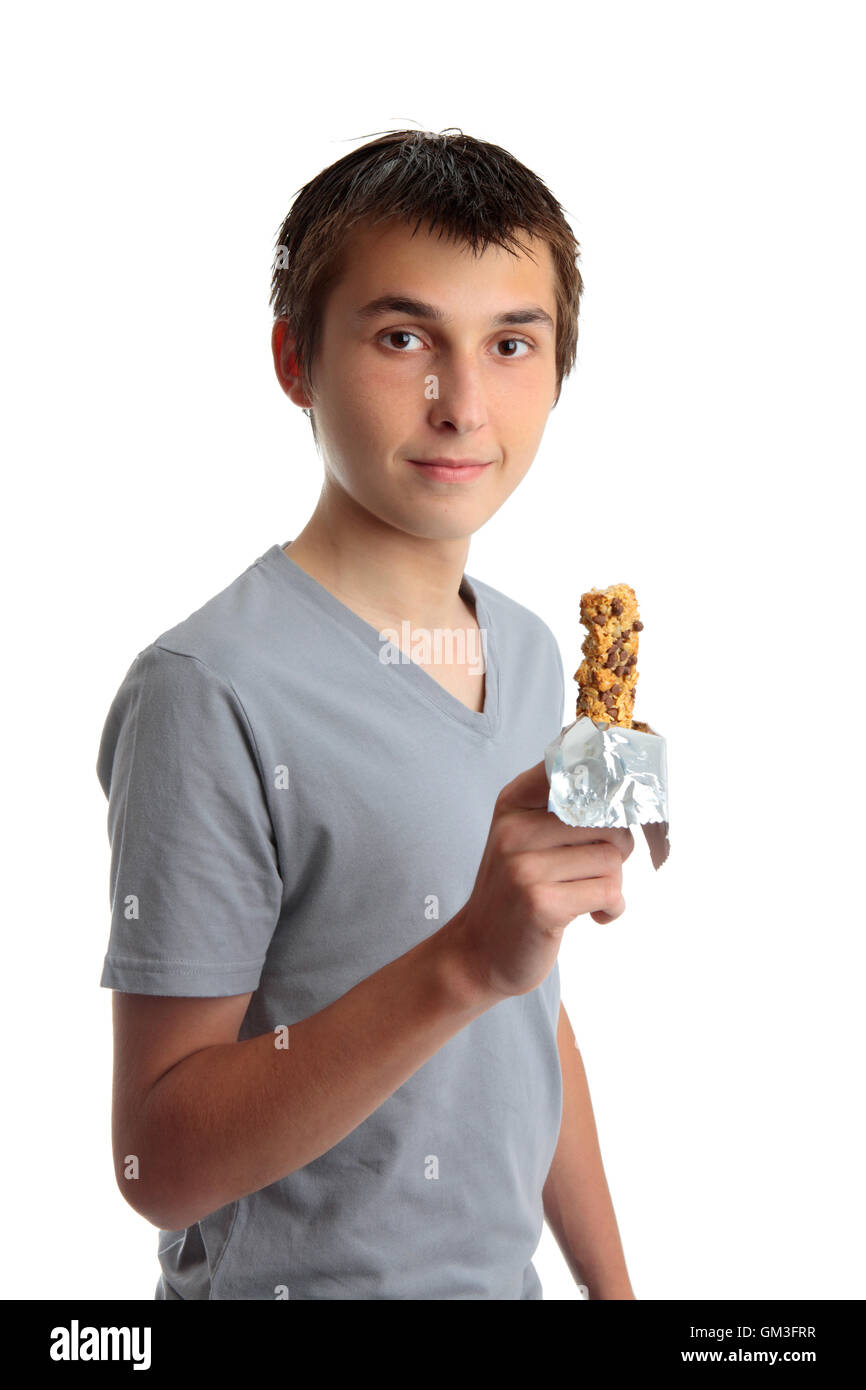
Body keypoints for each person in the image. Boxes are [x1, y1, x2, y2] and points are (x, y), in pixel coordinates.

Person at [97, 128, 636, 1301]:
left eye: (509, 342)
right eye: (403, 339)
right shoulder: (208, 689)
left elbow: (528, 1016)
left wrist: (618, 1292)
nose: (461, 403)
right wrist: (460, 962)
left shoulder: (539, 656)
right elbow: (157, 1160)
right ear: (296, 359)